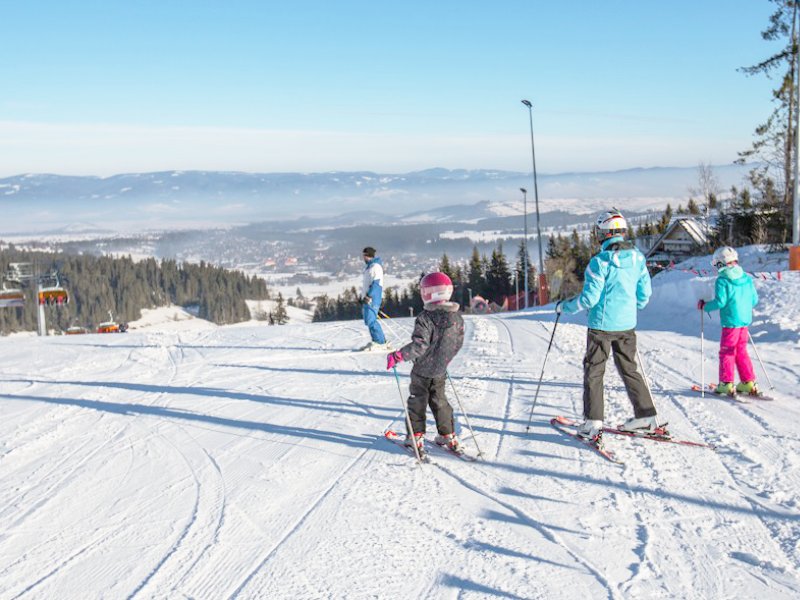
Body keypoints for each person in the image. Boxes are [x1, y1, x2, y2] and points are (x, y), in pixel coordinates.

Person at [556, 209, 660, 442]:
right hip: (627, 325)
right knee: (629, 368)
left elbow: (589, 299)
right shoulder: (637, 259)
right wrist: (636, 304)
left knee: (594, 370)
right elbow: (644, 293)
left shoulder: (599, 262)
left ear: (603, 233)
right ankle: (646, 416)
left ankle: (593, 422)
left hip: (601, 326)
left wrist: (565, 307)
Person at [386, 272, 465, 453]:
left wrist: (398, 356)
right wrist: (444, 358)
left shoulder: (425, 317)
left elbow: (420, 346)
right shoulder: (457, 317)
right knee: (440, 400)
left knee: (418, 401)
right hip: (440, 369)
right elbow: (457, 343)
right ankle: (448, 435)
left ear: (426, 293)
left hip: (422, 370)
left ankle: (416, 436)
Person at [697, 246, 759, 396]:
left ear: (721, 264)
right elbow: (754, 300)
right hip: (744, 322)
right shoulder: (746, 278)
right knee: (741, 351)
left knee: (727, 351)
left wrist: (705, 306)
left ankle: (726, 383)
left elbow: (720, 302)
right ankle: (748, 382)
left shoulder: (723, 280)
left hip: (731, 322)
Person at [360, 246, 387, 350]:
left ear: (368, 256)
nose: (363, 258)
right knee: (368, 320)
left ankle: (380, 342)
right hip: (368, 298)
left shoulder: (375, 267)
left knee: (371, 320)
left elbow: (376, 283)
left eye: (364, 255)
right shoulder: (370, 267)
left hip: (372, 298)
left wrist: (369, 296)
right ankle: (377, 341)